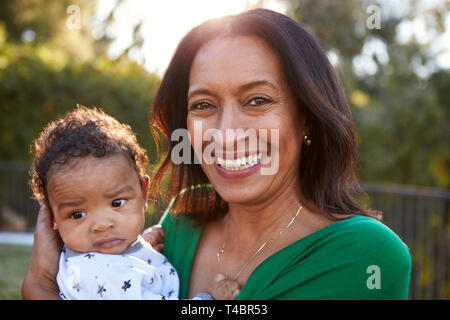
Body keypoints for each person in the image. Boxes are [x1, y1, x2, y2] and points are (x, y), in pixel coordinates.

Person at [23, 9, 411, 300]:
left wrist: (41, 287)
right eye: (204, 105)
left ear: (307, 117)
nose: (226, 134)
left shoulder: (364, 256)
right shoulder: (180, 223)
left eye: (257, 100)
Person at [25, 105, 238, 300]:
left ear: (143, 193)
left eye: (117, 203)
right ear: (53, 219)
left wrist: (141, 246)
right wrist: (210, 298)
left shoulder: (108, 256)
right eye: (77, 214)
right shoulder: (96, 274)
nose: (102, 225)